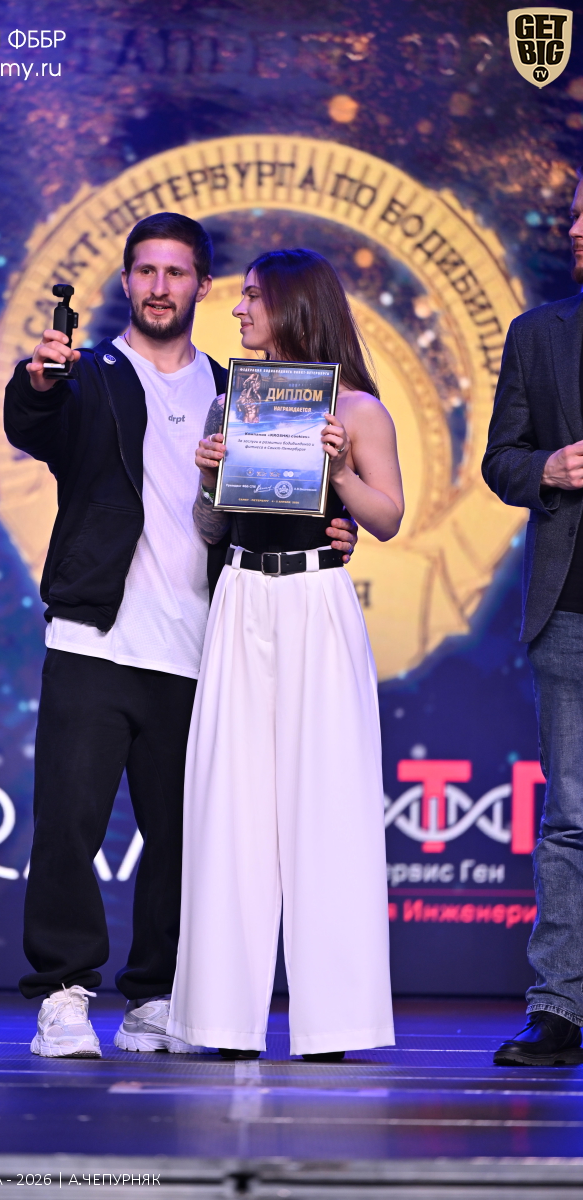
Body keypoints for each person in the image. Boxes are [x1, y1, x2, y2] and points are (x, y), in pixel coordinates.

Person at [3, 214, 360, 1059]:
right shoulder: (86, 375)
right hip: (94, 637)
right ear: (125, 281)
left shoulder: (246, 389)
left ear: (203, 284)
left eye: (176, 272)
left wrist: (335, 530)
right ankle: (62, 994)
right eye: (145, 271)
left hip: (206, 644)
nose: (159, 286)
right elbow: (32, 425)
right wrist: (39, 383)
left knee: (184, 837)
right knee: (68, 826)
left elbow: (287, 501)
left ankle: (156, 996)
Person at [168, 249, 403, 1060]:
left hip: (315, 597)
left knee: (326, 803)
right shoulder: (229, 403)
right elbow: (211, 526)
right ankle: (219, 1021)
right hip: (241, 596)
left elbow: (387, 517)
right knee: (228, 804)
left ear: (295, 306)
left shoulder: (358, 408)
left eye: (252, 298)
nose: (238, 310)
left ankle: (335, 1023)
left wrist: (338, 471)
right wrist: (209, 478)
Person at [483, 171, 583, 1068]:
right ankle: (558, 1010)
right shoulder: (538, 333)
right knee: (571, 819)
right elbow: (500, 459)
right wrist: (548, 468)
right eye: (577, 213)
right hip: (569, 610)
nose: (578, 228)